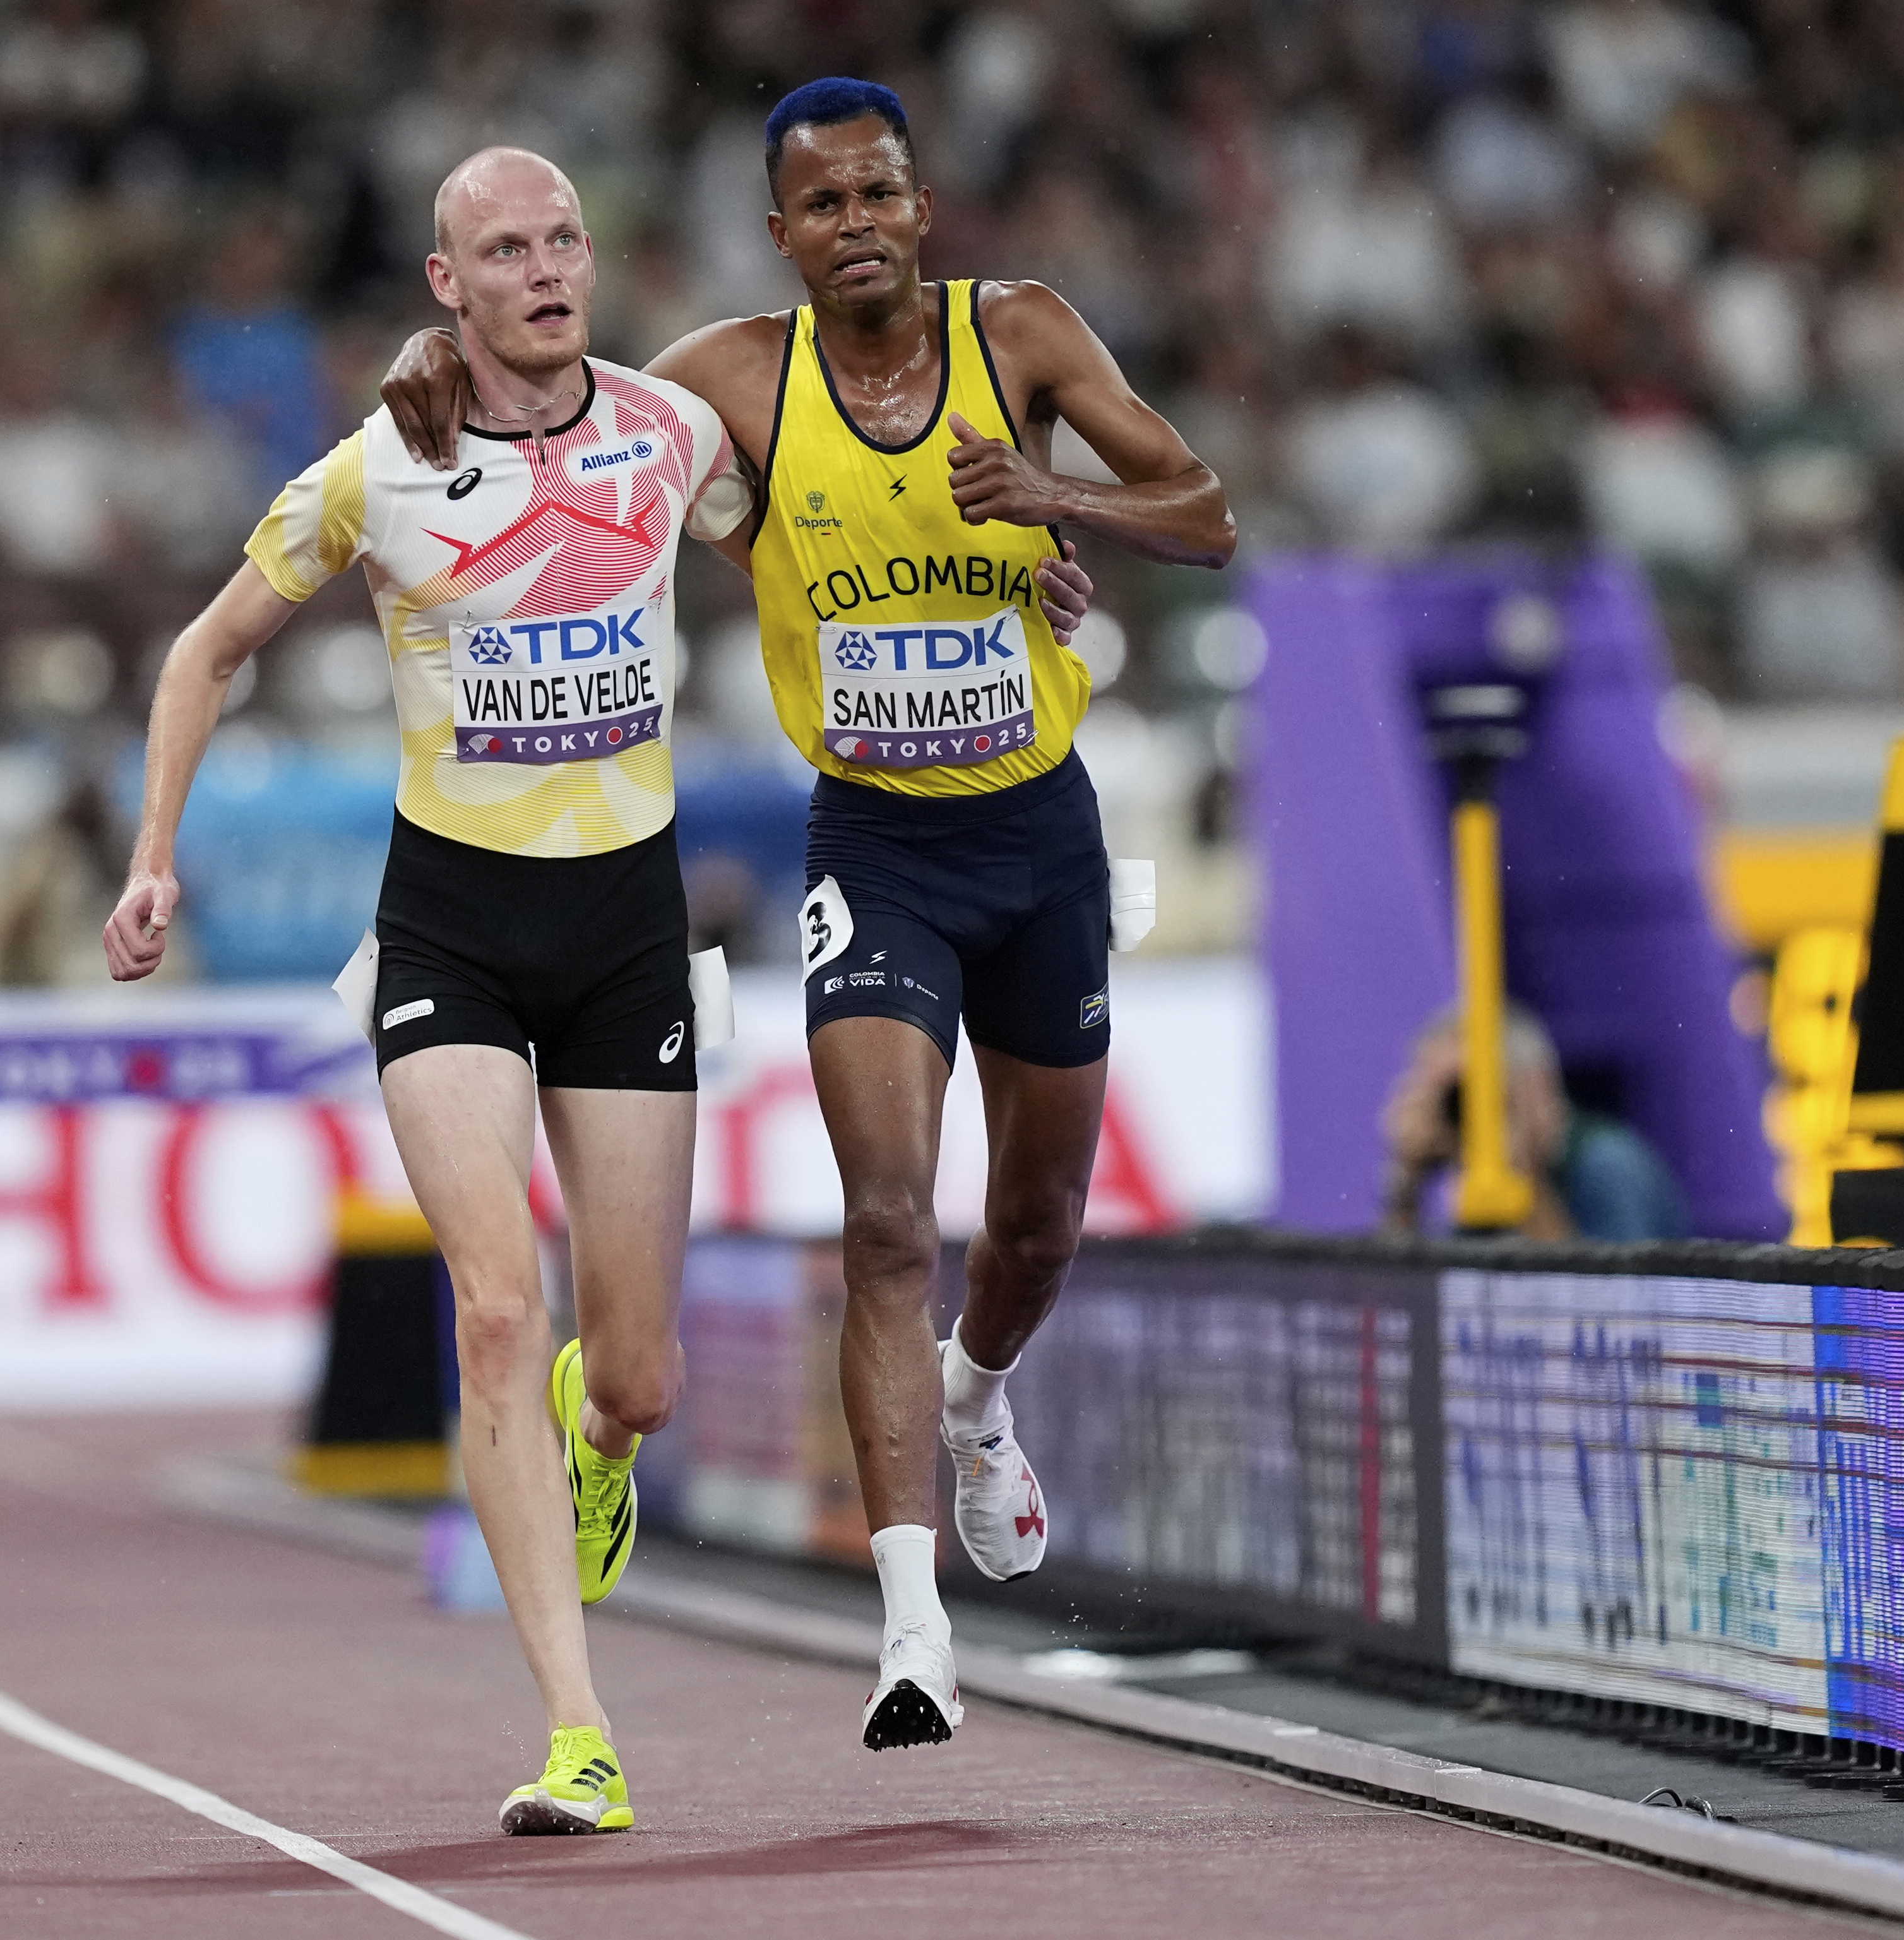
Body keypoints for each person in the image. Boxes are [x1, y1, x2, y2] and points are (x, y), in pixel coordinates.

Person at [381, 77, 1235, 1750]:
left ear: (922, 209)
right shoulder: (728, 381)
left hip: (1042, 839)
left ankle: (981, 1397)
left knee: (1039, 1223)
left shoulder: (1027, 336)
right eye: (822, 205)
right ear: (780, 235)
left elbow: (1203, 513)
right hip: (878, 851)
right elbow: (553, 398)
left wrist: (1058, 506)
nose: (857, 225)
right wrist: (427, 368)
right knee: (891, 1221)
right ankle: (913, 1634)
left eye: (881, 196)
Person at [104, 148, 746, 1839]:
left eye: (561, 241)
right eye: (501, 250)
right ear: (444, 284)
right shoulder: (377, 468)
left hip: (627, 928)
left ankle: (594, 1440)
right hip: (449, 929)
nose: (544, 270)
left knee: (636, 1375)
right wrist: (154, 850)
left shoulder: (673, 436)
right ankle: (578, 1735)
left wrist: (1023, 578)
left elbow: (825, 536)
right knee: (488, 1304)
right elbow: (204, 650)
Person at [1377, 1007, 1693, 1242]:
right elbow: (1407, 1299)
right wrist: (1407, 1179)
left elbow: (1609, 1303)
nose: (1464, 1110)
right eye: (1447, 1095)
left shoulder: (1609, 1163)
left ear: (1533, 1085)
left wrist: (1526, 1183)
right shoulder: (1479, 1174)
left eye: (1470, 1092)